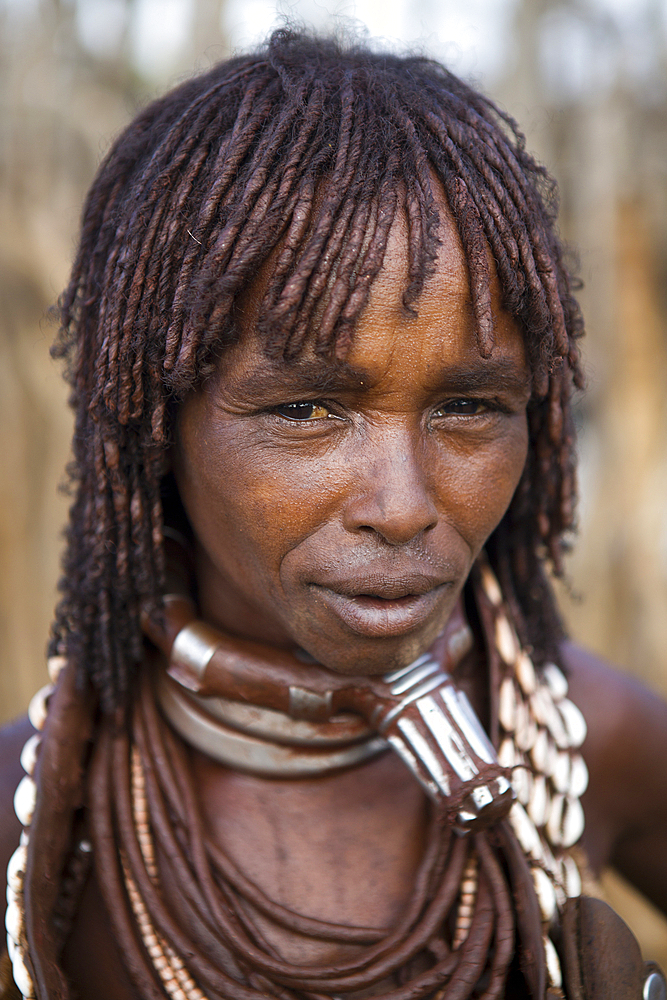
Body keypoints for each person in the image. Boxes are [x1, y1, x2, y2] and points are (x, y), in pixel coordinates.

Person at [1, 28, 666, 1000]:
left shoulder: (590, 739)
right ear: (155, 421)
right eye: (306, 408)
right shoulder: (33, 810)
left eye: (469, 406)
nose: (401, 505)